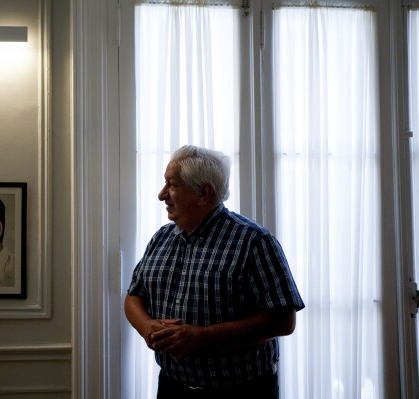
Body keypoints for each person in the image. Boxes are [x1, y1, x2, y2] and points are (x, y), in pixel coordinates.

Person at [125, 145, 304, 399]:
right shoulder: (161, 238)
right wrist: (147, 327)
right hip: (172, 387)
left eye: (172, 185)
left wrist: (203, 337)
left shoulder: (254, 241)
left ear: (203, 192)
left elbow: (283, 321)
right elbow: (134, 296)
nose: (161, 194)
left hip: (243, 391)